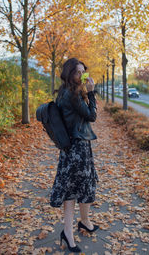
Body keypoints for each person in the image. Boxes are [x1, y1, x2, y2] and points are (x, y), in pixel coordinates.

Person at [50, 58, 99, 253]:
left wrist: (86, 92)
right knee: (73, 192)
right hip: (77, 149)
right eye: (78, 72)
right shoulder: (72, 94)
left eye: (83, 72)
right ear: (70, 74)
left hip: (72, 148)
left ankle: (83, 223)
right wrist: (92, 93)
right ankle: (69, 233)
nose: (81, 75)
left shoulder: (64, 91)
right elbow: (92, 116)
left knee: (79, 189)